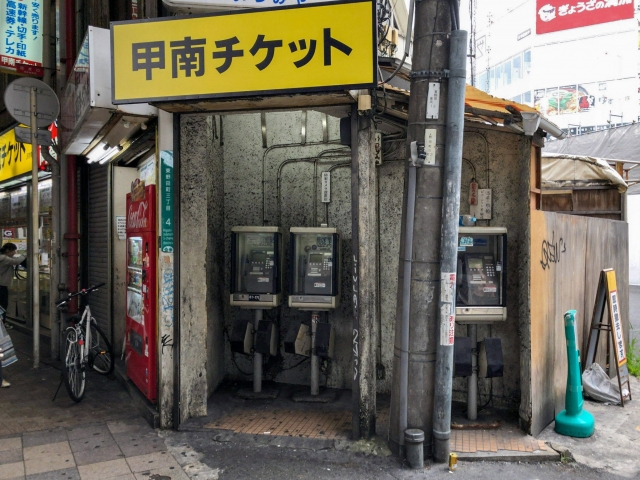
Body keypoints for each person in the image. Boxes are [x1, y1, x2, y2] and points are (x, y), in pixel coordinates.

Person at [0, 242, 26, 388]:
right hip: (1, 287)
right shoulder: (3, 258)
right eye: (13, 251)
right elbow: (16, 261)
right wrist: (29, 253)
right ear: (8, 250)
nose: (14, 254)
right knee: (2, 308)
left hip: (2, 286)